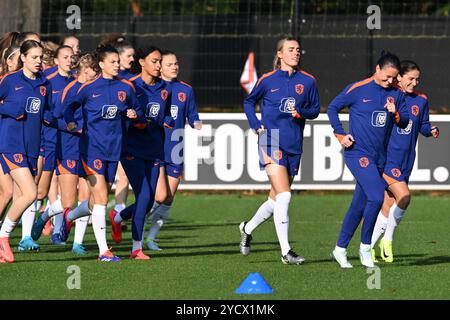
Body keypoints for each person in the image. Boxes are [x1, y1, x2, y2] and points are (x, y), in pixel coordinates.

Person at [240, 38, 320, 265]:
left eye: (297, 50)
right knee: (285, 195)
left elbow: (314, 110)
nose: (295, 53)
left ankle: (247, 228)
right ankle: (286, 252)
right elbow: (249, 103)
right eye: (290, 50)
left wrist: (301, 112)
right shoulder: (267, 79)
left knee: (276, 199)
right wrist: (256, 125)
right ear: (280, 54)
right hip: (270, 139)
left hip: (294, 142)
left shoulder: (308, 81)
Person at [327, 51, 410, 268]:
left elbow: (405, 123)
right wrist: (340, 134)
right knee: (376, 197)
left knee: (358, 205)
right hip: (358, 153)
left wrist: (397, 114)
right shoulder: (358, 89)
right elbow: (333, 108)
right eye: (387, 77)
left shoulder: (396, 93)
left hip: (380, 157)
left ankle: (339, 249)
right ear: (377, 69)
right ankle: (365, 248)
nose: (390, 81)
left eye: (394, 78)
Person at [61, 45, 142, 262]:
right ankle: (103, 251)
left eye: (118, 61)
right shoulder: (88, 88)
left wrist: (134, 113)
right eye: (113, 61)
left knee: (96, 201)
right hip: (91, 149)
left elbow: (138, 109)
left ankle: (70, 216)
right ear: (102, 65)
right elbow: (68, 108)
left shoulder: (126, 87)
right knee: (103, 200)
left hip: (113, 150)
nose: (117, 65)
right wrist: (70, 122)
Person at [371, 61, 440, 263]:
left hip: (406, 160)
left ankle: (367, 246)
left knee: (389, 204)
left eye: (417, 79)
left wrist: (431, 130)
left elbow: (423, 126)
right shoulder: (387, 95)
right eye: (410, 78)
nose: (414, 82)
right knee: (404, 197)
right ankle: (388, 240)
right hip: (387, 159)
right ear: (399, 77)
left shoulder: (421, 100)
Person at [109, 46, 173, 259]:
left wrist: (168, 120)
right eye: (154, 61)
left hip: (155, 149)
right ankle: (136, 249)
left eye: (160, 61)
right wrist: (132, 119)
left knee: (148, 202)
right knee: (145, 197)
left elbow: (166, 114)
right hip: (132, 149)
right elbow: (119, 114)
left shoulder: (165, 88)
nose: (158, 65)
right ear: (142, 62)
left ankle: (118, 219)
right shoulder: (130, 86)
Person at [32, 52, 99, 255]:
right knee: (68, 201)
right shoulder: (69, 90)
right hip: (68, 148)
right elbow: (53, 118)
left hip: (89, 149)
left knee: (89, 197)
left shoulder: (94, 89)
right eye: (95, 70)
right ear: (85, 69)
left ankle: (77, 242)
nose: (97, 74)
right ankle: (45, 217)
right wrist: (74, 127)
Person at [0, 40, 53, 263]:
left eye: (41, 57)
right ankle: (3, 237)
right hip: (11, 144)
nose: (39, 61)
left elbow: (48, 113)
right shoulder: (10, 81)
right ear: (22, 58)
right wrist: (11, 109)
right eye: (34, 57)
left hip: (32, 147)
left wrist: (69, 123)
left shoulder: (44, 84)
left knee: (21, 195)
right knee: (31, 194)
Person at [143, 50, 201, 251]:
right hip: (157, 146)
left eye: (176, 63)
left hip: (176, 147)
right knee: (159, 196)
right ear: (160, 67)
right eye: (169, 64)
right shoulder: (153, 89)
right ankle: (136, 223)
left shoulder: (186, 90)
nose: (174, 67)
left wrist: (196, 122)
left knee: (168, 197)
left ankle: (151, 238)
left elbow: (192, 114)